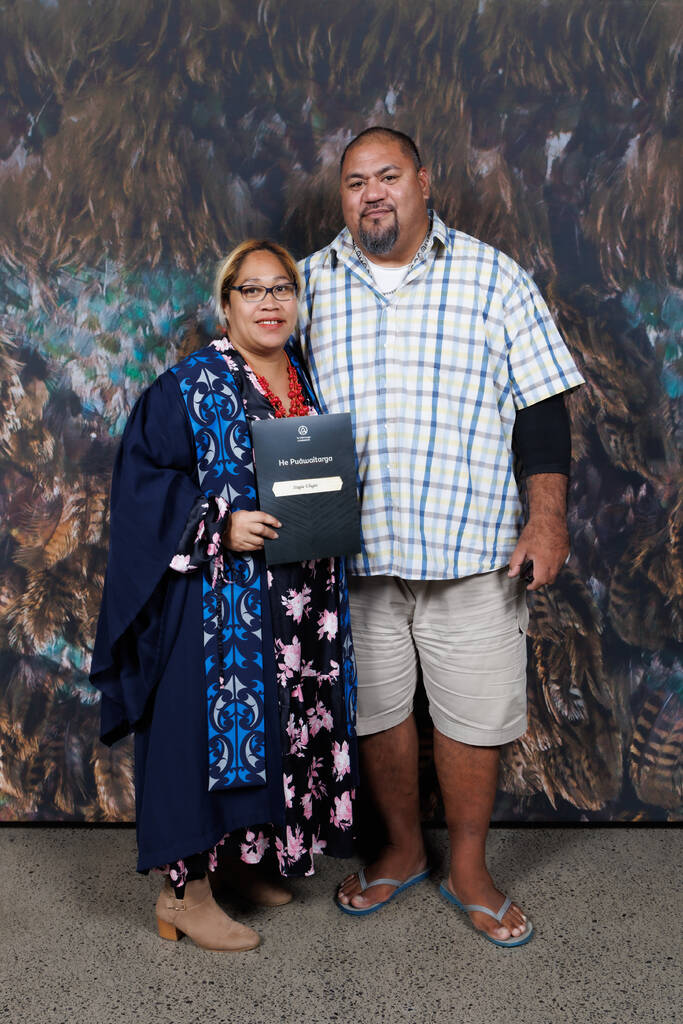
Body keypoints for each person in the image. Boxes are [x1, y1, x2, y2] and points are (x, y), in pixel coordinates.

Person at [298, 127, 584, 947]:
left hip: (472, 553)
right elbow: (269, 396)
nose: (372, 194)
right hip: (351, 556)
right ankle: (397, 852)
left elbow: (540, 408)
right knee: (377, 714)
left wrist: (546, 516)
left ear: (423, 181)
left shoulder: (492, 277)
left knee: (471, 719)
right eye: (355, 183)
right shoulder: (308, 284)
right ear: (341, 197)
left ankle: (467, 866)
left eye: (387, 176)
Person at [90, 239, 357, 951]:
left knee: (270, 731)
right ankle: (186, 895)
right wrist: (218, 523)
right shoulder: (190, 385)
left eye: (282, 290)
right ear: (226, 303)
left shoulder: (300, 377)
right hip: (212, 605)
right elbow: (140, 486)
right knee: (197, 741)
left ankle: (241, 865)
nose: (269, 303)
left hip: (293, 603)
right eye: (251, 290)